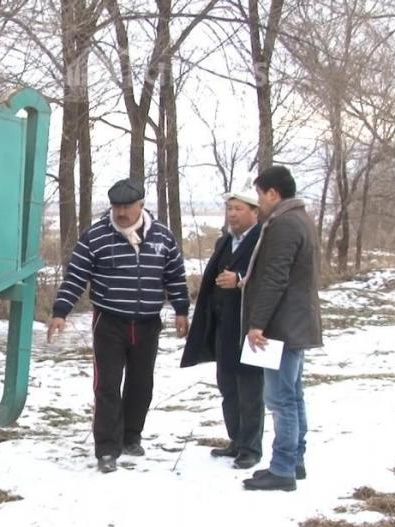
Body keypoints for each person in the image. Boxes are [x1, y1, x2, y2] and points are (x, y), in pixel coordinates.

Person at [47, 177, 190, 474]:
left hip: (147, 322)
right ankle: (107, 449)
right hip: (109, 321)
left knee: (141, 384)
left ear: (141, 205)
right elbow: (76, 276)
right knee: (107, 385)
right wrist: (61, 311)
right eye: (116, 207)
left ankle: (131, 437)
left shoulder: (162, 236)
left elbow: (175, 275)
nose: (121, 212)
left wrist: (181, 310)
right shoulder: (96, 236)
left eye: (127, 206)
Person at [241, 165, 323, 492]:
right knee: (293, 395)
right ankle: (294, 461)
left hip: (281, 327)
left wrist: (257, 323)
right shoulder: (300, 219)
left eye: (260, 195)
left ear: (273, 193)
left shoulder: (284, 224)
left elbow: (275, 278)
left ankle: (283, 468)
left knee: (279, 399)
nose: (258, 202)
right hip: (295, 322)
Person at [180, 190, 264, 469]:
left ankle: (251, 448)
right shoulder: (224, 241)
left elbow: (272, 278)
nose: (232, 214)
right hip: (223, 326)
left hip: (250, 326)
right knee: (228, 386)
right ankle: (236, 441)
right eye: (230, 209)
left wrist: (240, 279)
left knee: (250, 389)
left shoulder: (263, 240)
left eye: (239, 209)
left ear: (254, 211)